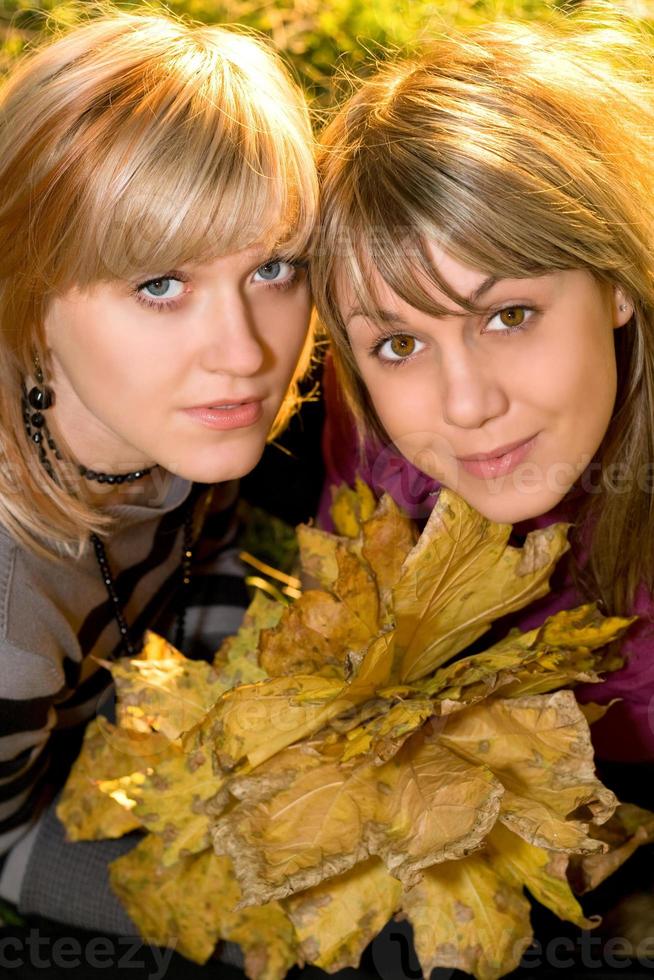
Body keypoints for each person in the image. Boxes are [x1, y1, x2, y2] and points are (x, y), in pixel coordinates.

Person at [0, 4, 317, 951]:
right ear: (27, 291)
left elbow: (196, 557)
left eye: (274, 267)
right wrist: (281, 920)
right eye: (158, 284)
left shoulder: (165, 421)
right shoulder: (9, 606)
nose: (244, 354)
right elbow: (6, 836)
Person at [312, 10, 654, 775]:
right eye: (399, 343)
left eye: (508, 315)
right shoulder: (375, 431)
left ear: (616, 285)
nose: (465, 407)